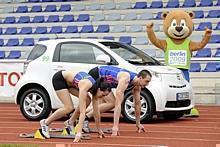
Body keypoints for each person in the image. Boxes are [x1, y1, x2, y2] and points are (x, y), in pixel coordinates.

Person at [39, 70, 111, 142]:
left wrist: (99, 130)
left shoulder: (95, 90)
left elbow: (96, 112)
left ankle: (70, 122)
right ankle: (45, 123)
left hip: (71, 84)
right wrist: (78, 133)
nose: (102, 97)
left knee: (87, 100)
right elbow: (82, 112)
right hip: (60, 79)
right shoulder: (85, 85)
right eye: (103, 95)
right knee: (69, 107)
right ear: (99, 89)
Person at [85, 66, 152, 136]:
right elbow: (118, 104)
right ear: (140, 78)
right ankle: (83, 117)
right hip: (97, 75)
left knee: (108, 103)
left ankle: (82, 116)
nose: (147, 84)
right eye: (146, 81)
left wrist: (138, 123)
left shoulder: (137, 85)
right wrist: (115, 126)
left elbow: (137, 104)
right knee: (111, 103)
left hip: (106, 81)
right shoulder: (125, 80)